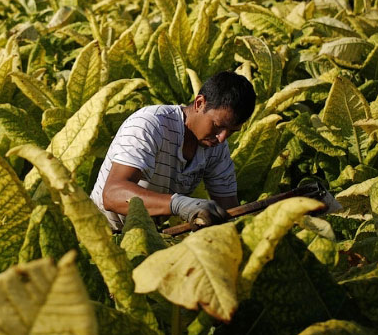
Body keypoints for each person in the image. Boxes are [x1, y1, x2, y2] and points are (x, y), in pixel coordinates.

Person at [91, 70, 256, 232]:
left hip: (145, 236)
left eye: (232, 132)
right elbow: (112, 194)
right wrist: (178, 204)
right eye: (217, 125)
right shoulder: (150, 124)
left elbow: (229, 210)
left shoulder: (217, 147)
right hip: (99, 232)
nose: (221, 138)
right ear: (199, 103)